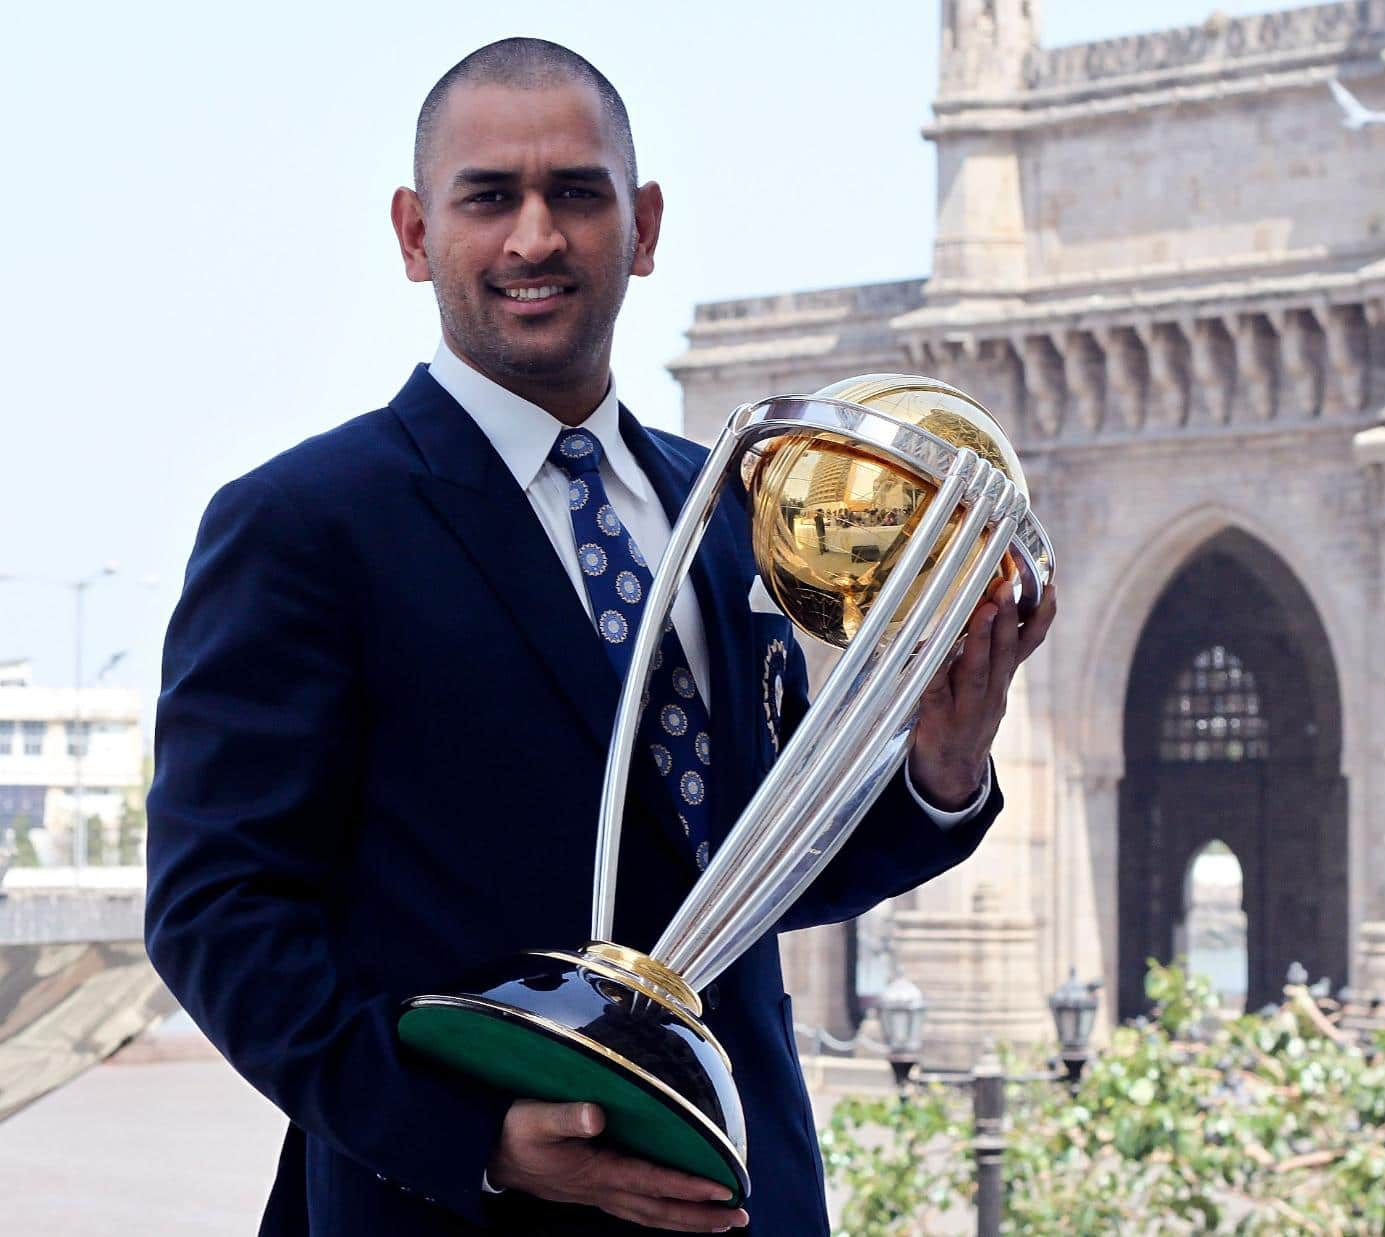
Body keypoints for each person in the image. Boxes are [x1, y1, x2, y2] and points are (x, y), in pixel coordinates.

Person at [145, 37, 1055, 1237]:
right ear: (417, 234)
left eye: (577, 193)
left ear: (645, 225)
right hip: (446, 1210)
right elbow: (216, 913)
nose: (536, 237)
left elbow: (751, 866)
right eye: (491, 197)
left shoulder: (731, 512)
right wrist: (476, 1141)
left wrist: (940, 769)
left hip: (748, 1196)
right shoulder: (305, 525)